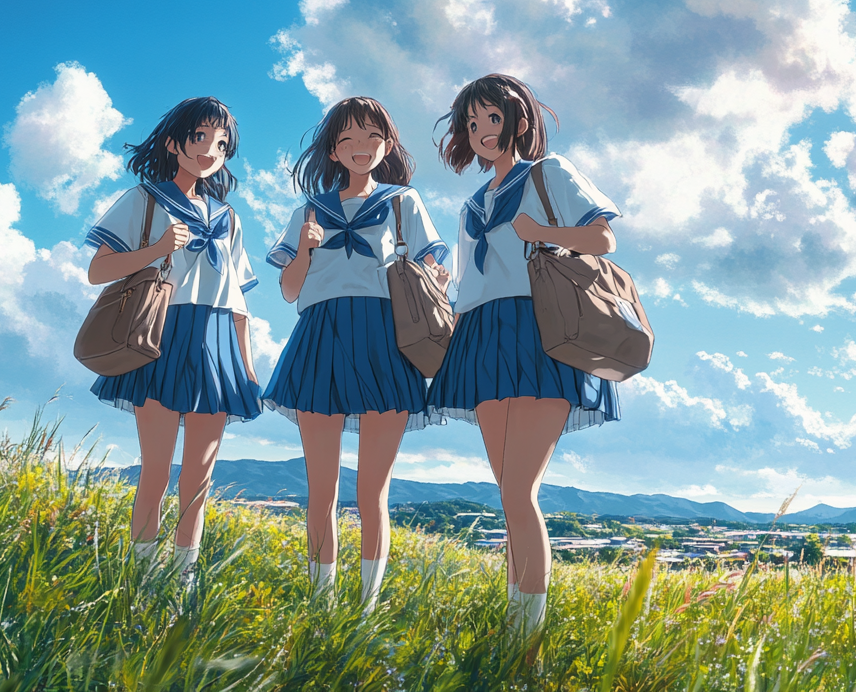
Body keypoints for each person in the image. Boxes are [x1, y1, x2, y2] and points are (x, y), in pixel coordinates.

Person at [425, 74, 622, 639]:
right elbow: (467, 283)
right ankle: (516, 623)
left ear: (518, 118)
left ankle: (527, 638)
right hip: (481, 333)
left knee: (519, 490)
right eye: (471, 122)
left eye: (491, 118)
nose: (482, 131)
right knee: (507, 491)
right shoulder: (472, 202)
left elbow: (603, 240)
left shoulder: (549, 172)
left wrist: (543, 231)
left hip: (539, 327)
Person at [262, 96, 448, 612]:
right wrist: (305, 248)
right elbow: (288, 290)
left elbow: (435, 268)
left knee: (372, 492)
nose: (361, 148)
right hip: (320, 334)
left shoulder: (401, 203)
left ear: (386, 144)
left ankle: (365, 609)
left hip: (384, 335)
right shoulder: (308, 210)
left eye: (372, 137)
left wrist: (435, 280)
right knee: (321, 490)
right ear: (333, 150)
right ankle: (320, 607)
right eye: (348, 139)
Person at [84, 96, 261, 588]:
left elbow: (239, 301)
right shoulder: (143, 199)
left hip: (219, 340)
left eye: (220, 143)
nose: (210, 150)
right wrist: (157, 250)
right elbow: (98, 270)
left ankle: (180, 585)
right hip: (160, 335)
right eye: (200, 137)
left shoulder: (230, 217)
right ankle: (141, 581)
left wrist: (246, 366)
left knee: (198, 481)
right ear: (173, 142)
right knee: (156, 471)